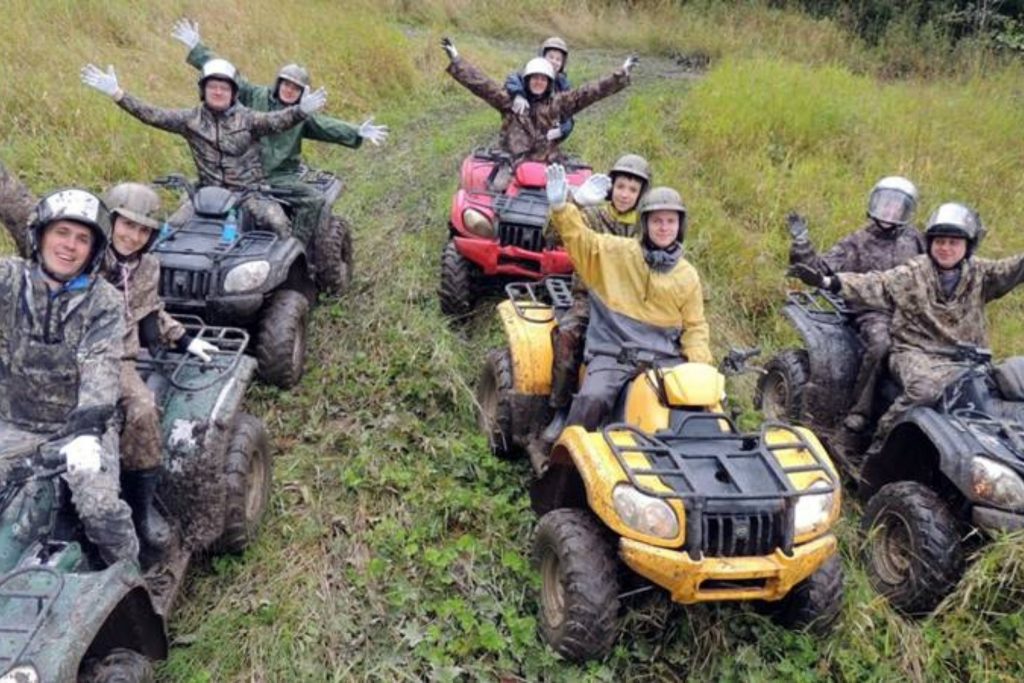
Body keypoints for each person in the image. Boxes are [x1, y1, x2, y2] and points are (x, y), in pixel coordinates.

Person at [1, 165, 218, 556]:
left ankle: (141, 509)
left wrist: (184, 339)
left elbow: (147, 312)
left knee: (142, 409)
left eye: (143, 230)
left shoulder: (134, 275)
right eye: (127, 225)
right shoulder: (35, 273)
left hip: (114, 358)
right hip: (33, 389)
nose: (133, 236)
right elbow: (21, 208)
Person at [789, 203, 1024, 455]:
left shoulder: (982, 273)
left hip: (968, 358)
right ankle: (880, 445)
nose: (945, 248)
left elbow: (1014, 268)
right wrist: (827, 281)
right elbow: (876, 284)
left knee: (1014, 381)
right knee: (924, 391)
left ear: (967, 246)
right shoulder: (914, 272)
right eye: (940, 241)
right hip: (916, 352)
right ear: (931, 243)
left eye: (954, 243)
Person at [0, 188, 139, 566]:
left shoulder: (103, 300)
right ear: (40, 235)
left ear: (92, 251)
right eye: (62, 232)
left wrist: (88, 431)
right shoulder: (10, 280)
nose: (70, 246)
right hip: (14, 420)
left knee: (99, 509)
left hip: (80, 429)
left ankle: (133, 579)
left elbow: (101, 364)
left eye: (82, 239)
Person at [171, 18, 389, 244]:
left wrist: (357, 131)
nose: (289, 90)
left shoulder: (301, 115)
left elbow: (327, 126)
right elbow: (226, 76)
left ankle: (299, 247)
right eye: (286, 84)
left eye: (296, 88)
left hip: (280, 176)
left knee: (315, 201)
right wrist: (197, 48)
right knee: (192, 196)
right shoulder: (255, 95)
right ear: (278, 83)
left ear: (303, 93)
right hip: (241, 171)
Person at [544, 164, 712, 431]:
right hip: (615, 353)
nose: (664, 228)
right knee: (591, 400)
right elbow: (582, 242)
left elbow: (695, 327)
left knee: (703, 409)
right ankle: (564, 460)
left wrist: (699, 364)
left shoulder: (687, 275)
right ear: (645, 224)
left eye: (671, 221)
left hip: (665, 359)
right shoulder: (619, 252)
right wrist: (564, 208)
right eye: (657, 221)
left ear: (680, 226)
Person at [80, 58, 327, 237]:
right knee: (170, 231)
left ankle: (301, 276)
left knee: (280, 227)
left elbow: (277, 121)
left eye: (224, 87)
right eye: (212, 87)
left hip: (249, 193)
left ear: (233, 93)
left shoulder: (249, 119)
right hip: (206, 194)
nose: (218, 92)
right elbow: (152, 115)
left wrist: (301, 111)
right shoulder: (190, 120)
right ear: (203, 90)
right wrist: (118, 94)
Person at [788, 176, 925, 432]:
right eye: (885, 203)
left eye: (897, 206)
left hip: (911, 311)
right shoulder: (856, 242)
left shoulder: (915, 239)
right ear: (874, 203)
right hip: (871, 312)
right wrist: (802, 244)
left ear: (907, 210)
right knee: (881, 343)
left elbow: (939, 262)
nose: (890, 210)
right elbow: (820, 269)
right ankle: (859, 410)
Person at [541, 153, 652, 443]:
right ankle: (561, 409)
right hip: (590, 297)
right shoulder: (593, 215)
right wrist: (572, 203)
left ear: (641, 194)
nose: (625, 194)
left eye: (633, 189)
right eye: (621, 186)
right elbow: (551, 235)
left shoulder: (646, 227)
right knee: (569, 335)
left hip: (632, 305)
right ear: (611, 187)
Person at [441, 37, 637, 164]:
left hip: (547, 164)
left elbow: (591, 92)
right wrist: (457, 60)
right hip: (511, 163)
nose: (538, 82)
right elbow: (482, 84)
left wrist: (620, 75)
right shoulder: (510, 102)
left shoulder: (559, 102)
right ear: (527, 79)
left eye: (543, 79)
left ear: (550, 82)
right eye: (534, 78)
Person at [505, 36, 574, 144]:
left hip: (546, 135)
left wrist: (563, 130)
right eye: (551, 57)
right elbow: (513, 79)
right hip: (522, 129)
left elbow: (568, 113)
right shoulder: (530, 72)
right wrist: (518, 94)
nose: (554, 62)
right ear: (542, 56)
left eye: (558, 59)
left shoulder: (562, 84)